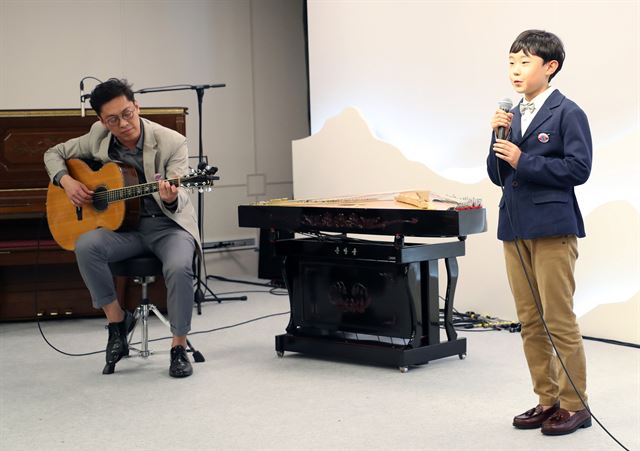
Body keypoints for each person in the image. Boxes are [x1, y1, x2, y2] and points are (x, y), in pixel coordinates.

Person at [44, 78, 199, 378]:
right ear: (102, 120)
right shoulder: (97, 137)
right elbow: (52, 153)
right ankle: (117, 323)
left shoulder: (171, 141)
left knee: (180, 267)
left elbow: (181, 195)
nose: (123, 123)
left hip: (168, 226)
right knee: (86, 245)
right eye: (112, 119)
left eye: (127, 113)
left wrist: (171, 195)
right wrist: (67, 181)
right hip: (125, 229)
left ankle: (178, 346)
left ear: (136, 107)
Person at [486, 30, 593, 435]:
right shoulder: (510, 114)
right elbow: (499, 175)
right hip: (514, 227)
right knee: (529, 321)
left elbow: (578, 170)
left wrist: (523, 159)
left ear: (551, 67)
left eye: (525, 62)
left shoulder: (568, 113)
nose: (515, 70)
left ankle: (574, 404)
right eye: (511, 62)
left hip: (552, 228)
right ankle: (547, 400)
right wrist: (496, 135)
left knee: (558, 319)